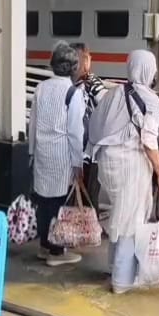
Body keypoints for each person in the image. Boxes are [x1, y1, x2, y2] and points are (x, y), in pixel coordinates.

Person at [88, 50, 159, 294]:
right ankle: (122, 281)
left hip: (107, 163)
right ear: (149, 70)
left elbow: (94, 125)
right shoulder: (151, 100)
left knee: (119, 214)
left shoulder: (112, 93)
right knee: (131, 221)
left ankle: (114, 267)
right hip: (132, 165)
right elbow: (149, 141)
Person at [29, 42, 85, 267]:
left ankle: (44, 245)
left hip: (42, 151)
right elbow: (75, 132)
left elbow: (32, 123)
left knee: (43, 200)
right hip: (62, 154)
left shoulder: (41, 88)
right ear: (73, 68)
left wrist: (32, 151)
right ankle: (56, 250)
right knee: (59, 202)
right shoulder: (73, 92)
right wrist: (78, 162)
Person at [68, 42, 108, 214]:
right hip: (84, 150)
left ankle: (86, 231)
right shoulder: (81, 83)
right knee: (85, 196)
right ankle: (85, 230)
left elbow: (106, 106)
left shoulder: (90, 83)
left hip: (88, 151)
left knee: (87, 197)